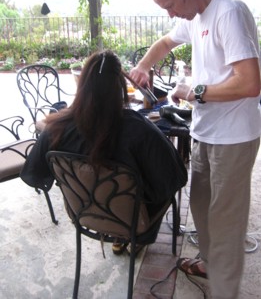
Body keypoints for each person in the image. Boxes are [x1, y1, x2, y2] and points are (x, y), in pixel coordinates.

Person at [130, 0, 261, 298]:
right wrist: (143, 66)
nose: (170, 14)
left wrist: (196, 91)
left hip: (234, 137)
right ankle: (206, 262)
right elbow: (164, 42)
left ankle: (224, 291)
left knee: (226, 223)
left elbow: (249, 82)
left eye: (169, 5)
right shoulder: (192, 17)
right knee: (201, 209)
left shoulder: (228, 13)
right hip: (205, 130)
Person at [20, 49, 187, 255]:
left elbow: (34, 173)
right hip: (133, 219)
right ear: (120, 87)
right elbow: (175, 178)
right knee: (151, 178)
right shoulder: (140, 130)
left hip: (84, 212)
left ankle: (120, 233)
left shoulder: (56, 128)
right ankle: (128, 236)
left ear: (82, 86)